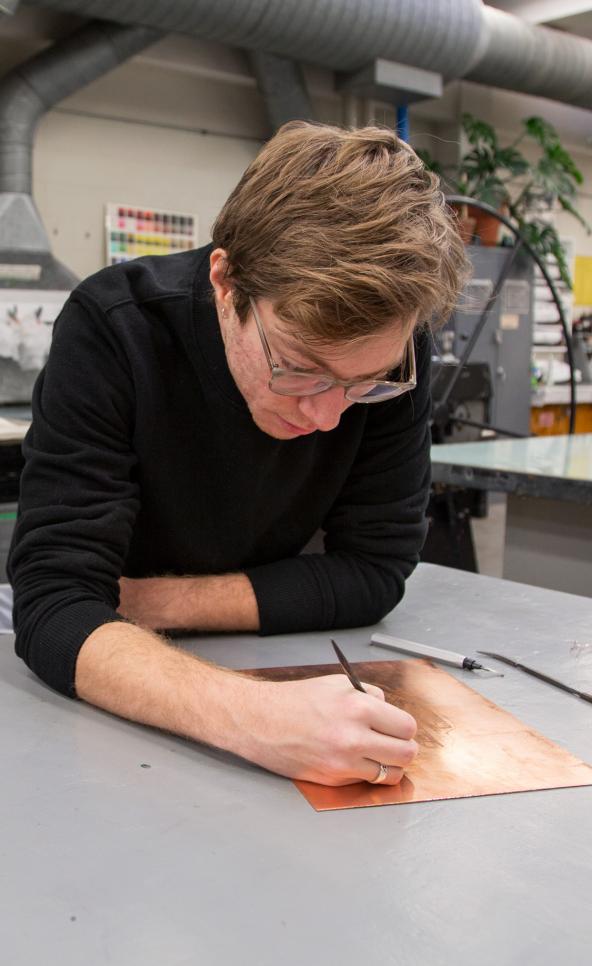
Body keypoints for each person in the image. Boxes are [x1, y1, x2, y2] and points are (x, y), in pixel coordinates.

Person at [8, 122, 470, 787]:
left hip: (174, 637)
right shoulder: (115, 331)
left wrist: (150, 604)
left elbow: (375, 569)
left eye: (364, 383)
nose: (328, 413)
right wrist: (257, 717)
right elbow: (54, 604)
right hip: (104, 733)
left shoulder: (392, 354)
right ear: (226, 284)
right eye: (301, 368)